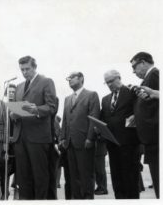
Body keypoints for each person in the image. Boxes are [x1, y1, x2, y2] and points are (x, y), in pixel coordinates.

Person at [11, 56, 57, 199]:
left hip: (38, 137)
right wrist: (13, 114)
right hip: (20, 137)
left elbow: (51, 107)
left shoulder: (46, 82)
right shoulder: (18, 87)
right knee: (23, 177)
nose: (25, 72)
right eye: (22, 69)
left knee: (40, 175)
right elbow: (15, 110)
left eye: (27, 69)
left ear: (35, 67)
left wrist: (36, 110)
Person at [100, 70, 140, 198]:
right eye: (107, 83)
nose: (109, 84)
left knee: (130, 180)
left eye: (111, 81)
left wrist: (135, 116)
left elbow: (140, 111)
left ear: (119, 78)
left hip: (129, 145)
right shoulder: (105, 99)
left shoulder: (132, 92)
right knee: (117, 180)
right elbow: (103, 119)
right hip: (112, 145)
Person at [60, 72, 100, 199]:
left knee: (86, 174)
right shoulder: (67, 99)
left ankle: (88, 199)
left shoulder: (91, 95)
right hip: (69, 143)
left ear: (81, 78)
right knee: (73, 176)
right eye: (68, 79)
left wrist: (90, 138)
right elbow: (65, 120)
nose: (69, 80)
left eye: (72, 78)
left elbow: (94, 117)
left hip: (84, 141)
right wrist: (62, 138)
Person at [130, 52, 159, 198]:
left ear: (143, 62)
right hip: (152, 139)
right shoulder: (149, 78)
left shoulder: (153, 75)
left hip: (154, 138)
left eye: (134, 67)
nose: (134, 71)